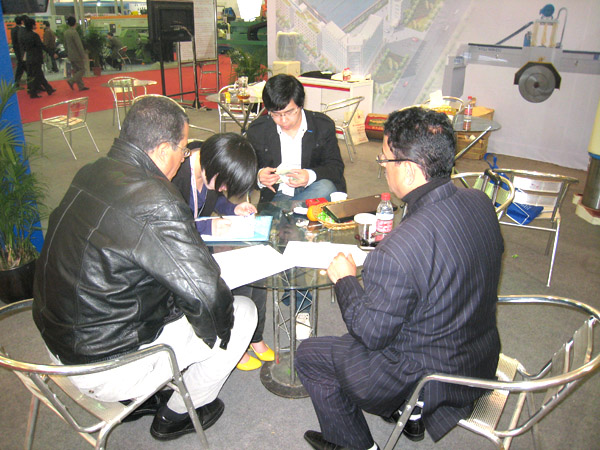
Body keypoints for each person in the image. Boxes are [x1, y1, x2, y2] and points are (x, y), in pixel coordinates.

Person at [32, 95, 257, 441]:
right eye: (183, 148)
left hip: (56, 347)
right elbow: (208, 299)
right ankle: (179, 413)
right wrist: (214, 335)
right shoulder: (157, 199)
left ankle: (147, 393)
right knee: (241, 313)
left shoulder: (91, 171)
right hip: (104, 368)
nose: (184, 156)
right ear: (164, 149)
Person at [295, 106, 503, 450]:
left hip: (429, 379)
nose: (382, 167)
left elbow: (370, 334)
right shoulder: (479, 201)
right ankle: (412, 416)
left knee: (310, 354)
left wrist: (345, 280)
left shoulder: (398, 249)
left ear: (407, 169)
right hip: (477, 360)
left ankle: (361, 444)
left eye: (384, 160)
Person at [171, 133, 274, 371]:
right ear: (214, 166)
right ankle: (236, 343)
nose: (226, 189)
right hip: (181, 251)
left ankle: (254, 336)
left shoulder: (209, 164)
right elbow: (170, 225)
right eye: (226, 184)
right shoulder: (176, 175)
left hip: (202, 242)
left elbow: (215, 197)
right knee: (232, 275)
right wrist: (207, 226)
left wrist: (233, 208)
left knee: (256, 264)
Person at [245, 74, 346, 204]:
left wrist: (310, 175)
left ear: (301, 105)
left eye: (289, 112)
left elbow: (336, 167)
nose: (283, 120)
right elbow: (245, 171)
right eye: (275, 114)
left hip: (314, 187)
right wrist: (259, 176)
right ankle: (289, 210)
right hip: (278, 193)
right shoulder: (258, 130)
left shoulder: (322, 126)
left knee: (326, 188)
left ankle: (281, 212)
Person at [20, 17, 56, 99]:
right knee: (37, 75)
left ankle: (48, 89)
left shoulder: (23, 35)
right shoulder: (34, 35)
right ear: (32, 25)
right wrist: (51, 53)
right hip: (36, 58)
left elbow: (23, 47)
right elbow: (41, 46)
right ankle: (34, 93)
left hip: (29, 57)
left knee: (37, 74)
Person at [63, 16, 88, 91]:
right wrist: (83, 55)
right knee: (82, 70)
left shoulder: (66, 32)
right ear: (75, 23)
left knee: (76, 70)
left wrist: (67, 53)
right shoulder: (74, 32)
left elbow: (65, 45)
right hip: (77, 55)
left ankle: (81, 86)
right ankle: (71, 81)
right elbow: (79, 45)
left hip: (70, 54)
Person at [11, 15, 27, 87]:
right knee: (22, 66)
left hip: (18, 51)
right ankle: (16, 82)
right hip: (21, 52)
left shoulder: (13, 30)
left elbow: (14, 43)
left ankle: (16, 82)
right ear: (21, 21)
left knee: (22, 66)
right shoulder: (21, 30)